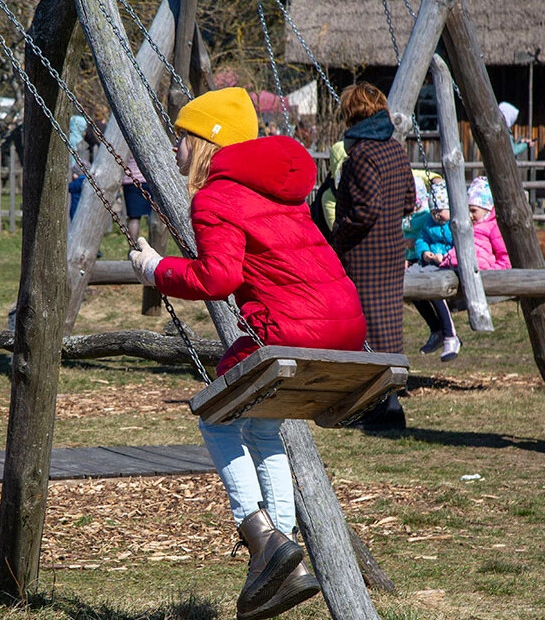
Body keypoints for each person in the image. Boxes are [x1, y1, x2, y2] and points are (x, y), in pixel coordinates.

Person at [129, 87, 366, 619]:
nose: (175, 149)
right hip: (346, 328)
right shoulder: (279, 189)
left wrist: (154, 270)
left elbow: (219, 277)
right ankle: (285, 559)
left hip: (293, 332)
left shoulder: (215, 195)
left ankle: (259, 535)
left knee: (216, 418)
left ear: (207, 141)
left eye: (181, 138)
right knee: (262, 426)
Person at [331, 81, 415, 430]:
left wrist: (339, 230)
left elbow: (365, 210)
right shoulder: (395, 149)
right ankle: (389, 402)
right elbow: (410, 200)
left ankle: (379, 406)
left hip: (365, 253)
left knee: (364, 327)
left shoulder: (362, 154)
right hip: (392, 249)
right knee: (387, 326)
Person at [403, 177, 461, 361]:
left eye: (440, 211)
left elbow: (460, 244)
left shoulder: (456, 224)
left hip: (448, 266)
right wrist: (424, 252)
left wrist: (446, 257)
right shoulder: (430, 221)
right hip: (429, 264)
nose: (436, 215)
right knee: (410, 286)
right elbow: (422, 239)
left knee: (434, 290)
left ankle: (450, 335)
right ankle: (436, 329)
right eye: (433, 210)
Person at [439, 176, 512, 272]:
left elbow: (505, 257)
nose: (469, 215)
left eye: (474, 211)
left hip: (480, 271)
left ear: (487, 209)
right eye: (467, 210)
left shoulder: (493, 227)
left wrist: (491, 272)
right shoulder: (465, 226)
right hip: (456, 266)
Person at [122, 154, 152, 241]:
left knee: (134, 217)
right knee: (153, 215)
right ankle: (153, 243)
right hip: (147, 179)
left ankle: (133, 245)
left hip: (130, 180)